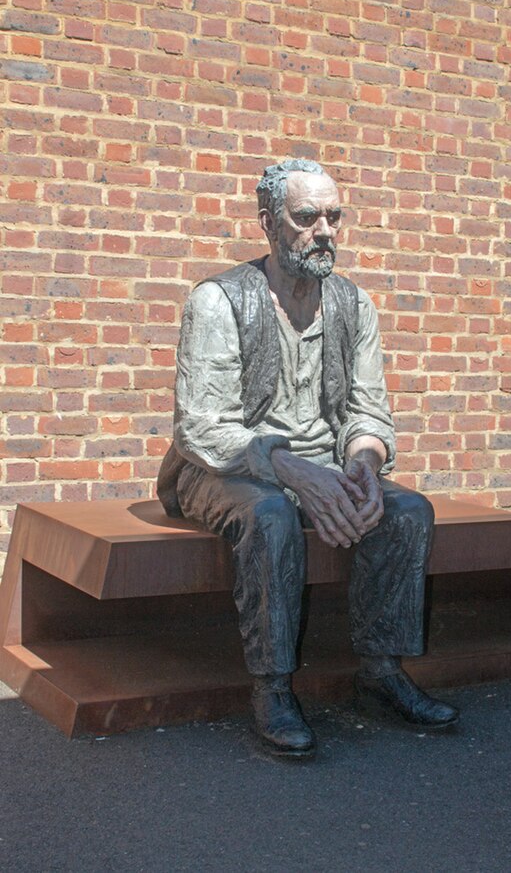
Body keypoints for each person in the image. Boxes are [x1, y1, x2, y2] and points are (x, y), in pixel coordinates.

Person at [157, 158, 459, 758]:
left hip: (320, 463)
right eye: (306, 217)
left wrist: (365, 465)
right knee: (269, 516)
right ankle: (271, 687)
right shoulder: (218, 301)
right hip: (223, 467)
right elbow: (201, 427)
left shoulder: (353, 306)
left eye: (333, 216)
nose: (325, 230)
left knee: (406, 512)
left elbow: (369, 412)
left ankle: (380, 672)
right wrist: (290, 470)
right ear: (269, 223)